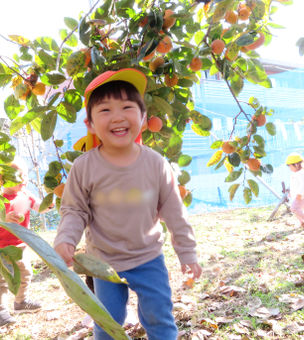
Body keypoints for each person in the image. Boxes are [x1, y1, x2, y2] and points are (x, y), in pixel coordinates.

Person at [54, 68, 202, 340]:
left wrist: (187, 251)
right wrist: (66, 239)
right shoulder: (83, 167)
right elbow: (75, 210)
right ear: (89, 124)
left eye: (127, 107)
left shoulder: (156, 163)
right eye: (105, 110)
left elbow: (174, 212)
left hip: (148, 258)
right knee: (108, 322)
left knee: (160, 317)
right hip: (104, 262)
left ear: (143, 119)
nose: (118, 116)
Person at [0, 158, 49, 327]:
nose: (23, 179)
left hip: (20, 246)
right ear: (3, 179)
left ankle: (20, 302)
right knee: (1, 279)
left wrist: (50, 203)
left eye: (25, 175)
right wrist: (2, 218)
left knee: (26, 274)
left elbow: (40, 207)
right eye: (18, 176)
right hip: (0, 247)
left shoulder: (26, 195)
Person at [286, 153, 304, 228]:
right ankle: (302, 223)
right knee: (296, 210)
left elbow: (303, 184)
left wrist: (299, 194)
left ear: (296, 165)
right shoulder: (295, 173)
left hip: (301, 196)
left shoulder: (301, 173)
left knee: (294, 208)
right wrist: (291, 193)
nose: (289, 168)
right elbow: (294, 184)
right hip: (296, 196)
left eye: (290, 166)